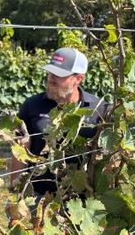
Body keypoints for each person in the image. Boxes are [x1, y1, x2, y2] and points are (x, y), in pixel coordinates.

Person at [11, 47, 108, 196]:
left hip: (82, 198)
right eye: (50, 72)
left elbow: (107, 158)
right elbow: (19, 150)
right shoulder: (32, 105)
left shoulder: (99, 110)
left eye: (59, 74)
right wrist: (16, 193)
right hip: (37, 195)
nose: (51, 78)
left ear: (78, 78)